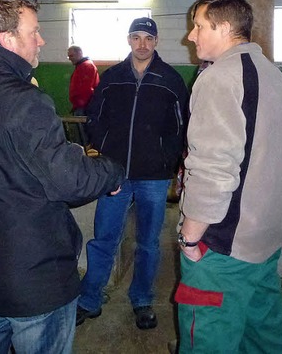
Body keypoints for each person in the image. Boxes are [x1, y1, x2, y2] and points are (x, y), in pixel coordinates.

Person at [0, 0, 125, 354]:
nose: (42, 40)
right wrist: (111, 172)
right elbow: (69, 181)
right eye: (34, 32)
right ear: (7, 39)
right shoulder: (26, 101)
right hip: (34, 279)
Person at [174, 0, 282, 352]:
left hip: (222, 248)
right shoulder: (275, 76)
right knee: (263, 338)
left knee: (207, 341)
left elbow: (213, 166)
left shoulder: (218, 78)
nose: (192, 36)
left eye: (200, 26)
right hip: (265, 239)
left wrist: (191, 237)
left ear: (223, 28)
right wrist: (274, 193)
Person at [77, 17, 189, 330]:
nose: (142, 44)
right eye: (136, 37)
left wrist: (168, 160)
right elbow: (94, 116)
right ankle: (89, 300)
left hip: (154, 176)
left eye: (148, 38)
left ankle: (141, 299)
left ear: (156, 41)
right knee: (104, 238)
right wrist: (104, 147)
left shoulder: (170, 79)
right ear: (128, 40)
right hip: (114, 174)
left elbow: (181, 125)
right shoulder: (112, 77)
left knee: (148, 242)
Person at [67, 45, 99, 143]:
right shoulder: (82, 66)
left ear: (79, 53)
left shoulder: (86, 66)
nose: (70, 59)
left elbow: (86, 90)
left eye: (71, 56)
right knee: (81, 135)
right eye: (69, 56)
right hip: (82, 105)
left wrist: (79, 105)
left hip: (84, 107)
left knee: (82, 137)